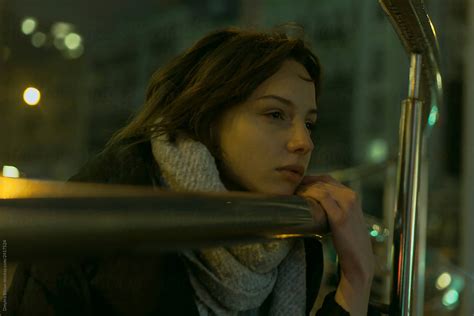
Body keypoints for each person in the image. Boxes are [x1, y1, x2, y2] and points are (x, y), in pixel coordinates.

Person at [6, 27, 375, 315]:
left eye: (309, 123)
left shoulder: (294, 244)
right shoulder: (106, 211)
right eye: (275, 114)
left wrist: (356, 280)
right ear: (208, 119)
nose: (303, 142)